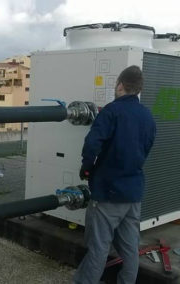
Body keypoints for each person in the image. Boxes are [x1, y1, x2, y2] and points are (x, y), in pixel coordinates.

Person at [73, 65, 156, 284]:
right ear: (138, 89)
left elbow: (92, 143)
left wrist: (87, 167)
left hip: (108, 192)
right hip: (133, 192)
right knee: (129, 248)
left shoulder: (111, 111)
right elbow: (146, 148)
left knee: (98, 247)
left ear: (120, 85)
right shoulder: (147, 115)